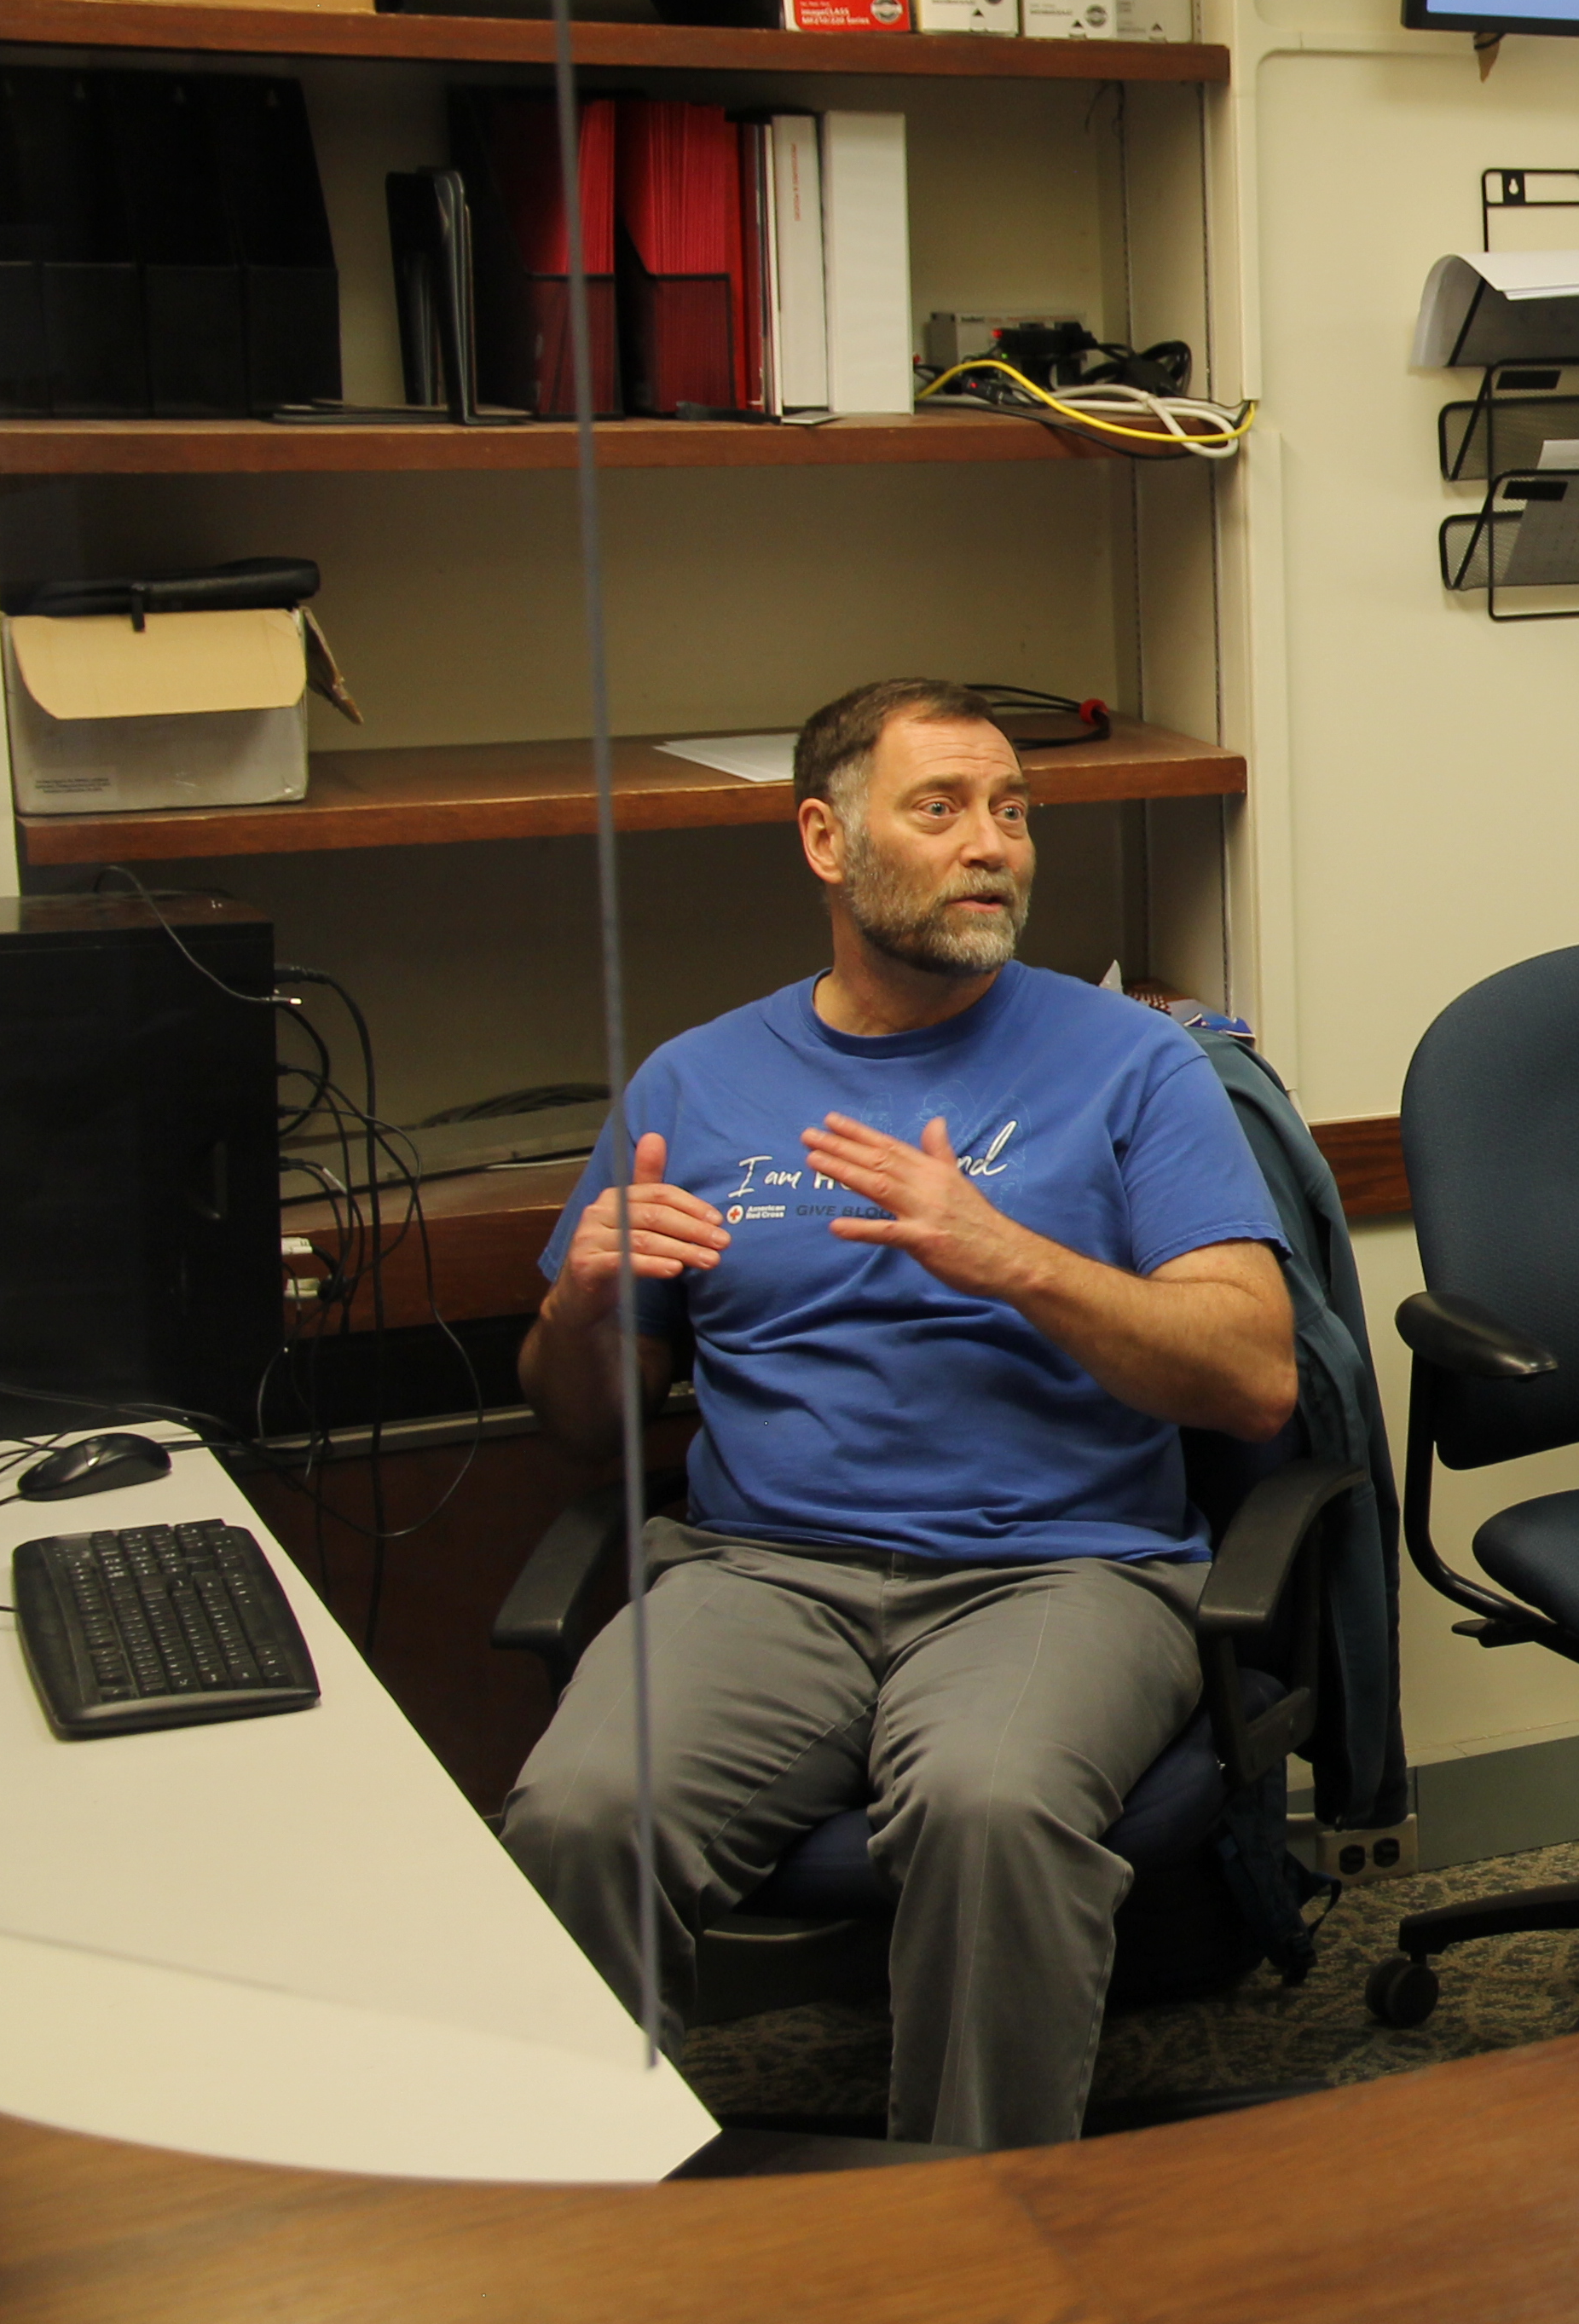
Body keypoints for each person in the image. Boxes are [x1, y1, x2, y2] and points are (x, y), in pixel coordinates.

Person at [498, 677, 1296, 2151]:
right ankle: (576, 2234)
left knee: (988, 1812)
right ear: (826, 837)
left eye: (1013, 811)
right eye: (941, 809)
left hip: (1063, 1565)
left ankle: (978, 2245)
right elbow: (579, 1420)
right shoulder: (698, 1080)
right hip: (764, 1572)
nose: (993, 844)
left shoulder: (1136, 1065)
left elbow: (1254, 1371)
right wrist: (579, 1308)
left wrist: (1006, 1254)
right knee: (579, 1812)